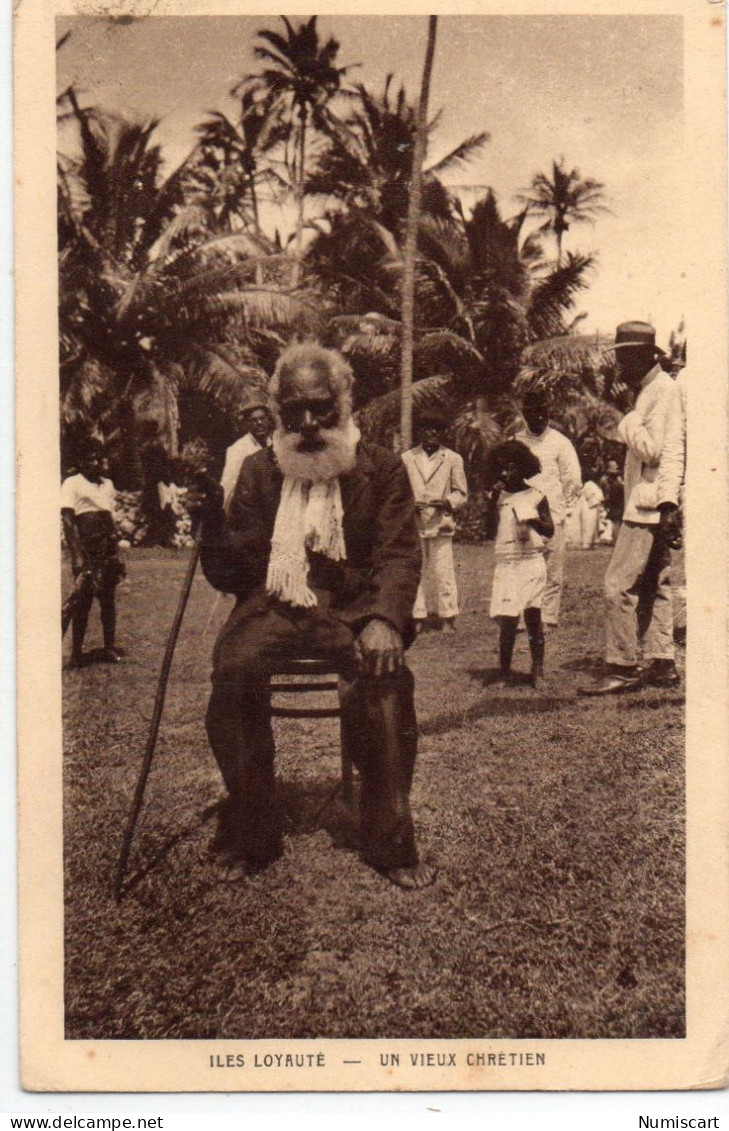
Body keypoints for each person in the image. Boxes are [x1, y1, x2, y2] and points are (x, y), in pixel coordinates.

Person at [198, 342, 435, 890]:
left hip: (354, 609)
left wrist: (384, 620)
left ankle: (390, 842)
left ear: (344, 402)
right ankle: (252, 830)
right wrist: (212, 516)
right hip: (273, 608)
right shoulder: (259, 471)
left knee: (386, 682)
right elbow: (234, 575)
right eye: (294, 409)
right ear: (278, 410)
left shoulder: (381, 468)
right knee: (232, 673)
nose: (307, 423)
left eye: (320, 407)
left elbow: (400, 553)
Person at [580, 321, 684, 695]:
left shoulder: (659, 392)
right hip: (656, 503)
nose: (620, 367)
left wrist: (627, 420)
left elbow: (656, 450)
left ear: (643, 356)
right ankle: (662, 663)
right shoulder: (653, 390)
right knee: (656, 585)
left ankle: (621, 666)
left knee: (618, 584)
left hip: (647, 506)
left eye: (624, 358)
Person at [485, 440, 554, 688]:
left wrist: (532, 519)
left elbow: (550, 530)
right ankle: (504, 672)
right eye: (503, 468)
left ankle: (538, 671)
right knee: (508, 619)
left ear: (524, 468)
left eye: (512, 467)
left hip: (531, 561)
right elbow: (488, 530)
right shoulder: (499, 496)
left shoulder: (536, 495)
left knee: (533, 615)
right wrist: (492, 499)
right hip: (507, 562)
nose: (506, 473)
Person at [515, 388, 581, 628]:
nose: (538, 419)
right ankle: (524, 617)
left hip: (553, 514)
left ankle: (548, 617)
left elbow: (572, 479)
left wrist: (564, 508)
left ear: (548, 414)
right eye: (532, 414)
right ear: (525, 415)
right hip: (523, 514)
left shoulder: (560, 443)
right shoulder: (517, 442)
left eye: (542, 414)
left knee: (552, 570)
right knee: (525, 566)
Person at [61, 439, 125, 668]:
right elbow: (69, 521)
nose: (96, 463)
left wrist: (115, 549)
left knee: (108, 598)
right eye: (90, 458)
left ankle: (109, 646)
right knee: (82, 600)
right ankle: (76, 652)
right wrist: (77, 554)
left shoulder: (107, 484)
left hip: (107, 546)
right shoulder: (72, 483)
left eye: (99, 458)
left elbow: (110, 517)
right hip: (87, 546)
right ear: (80, 461)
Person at [401, 414, 467, 632]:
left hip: (441, 523)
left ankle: (448, 617)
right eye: (427, 431)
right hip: (415, 523)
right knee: (415, 571)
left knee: (443, 571)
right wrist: (410, 504)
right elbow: (399, 492)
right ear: (420, 433)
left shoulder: (452, 459)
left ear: (441, 434)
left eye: (436, 431)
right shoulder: (407, 458)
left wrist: (447, 502)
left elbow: (461, 492)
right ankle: (417, 617)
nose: (431, 435)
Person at [220, 404, 273, 508]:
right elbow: (228, 487)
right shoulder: (238, 449)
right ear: (247, 424)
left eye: (262, 418)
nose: (259, 423)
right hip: (248, 508)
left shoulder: (273, 444)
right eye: (254, 420)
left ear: (268, 419)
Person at [599, 459, 625, 543]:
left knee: (614, 522)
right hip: (611, 502)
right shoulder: (604, 480)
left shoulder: (617, 483)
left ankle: (614, 539)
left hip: (613, 503)